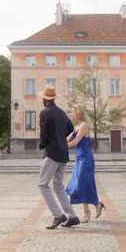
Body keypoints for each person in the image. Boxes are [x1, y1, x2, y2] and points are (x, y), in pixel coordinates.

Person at [37, 85, 80, 229]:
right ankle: (72, 216)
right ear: (53, 98)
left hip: (52, 152)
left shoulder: (45, 113)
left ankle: (58, 215)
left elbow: (43, 133)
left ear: (45, 99)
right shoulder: (62, 113)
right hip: (63, 153)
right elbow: (71, 130)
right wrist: (61, 140)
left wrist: (43, 144)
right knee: (58, 185)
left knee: (43, 184)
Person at [66, 104, 106, 223]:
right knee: (79, 185)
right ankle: (97, 205)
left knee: (82, 184)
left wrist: (62, 148)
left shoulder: (84, 126)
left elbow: (76, 140)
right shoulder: (76, 126)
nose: (71, 114)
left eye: (72, 112)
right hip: (79, 159)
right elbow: (67, 139)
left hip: (86, 159)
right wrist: (56, 144)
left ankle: (87, 212)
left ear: (78, 113)